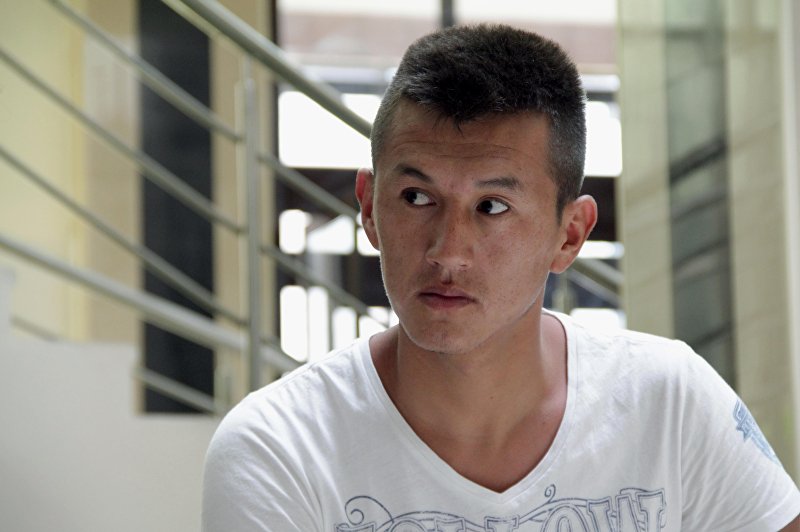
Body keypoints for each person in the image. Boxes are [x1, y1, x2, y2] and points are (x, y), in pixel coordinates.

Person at [202, 24, 800, 531]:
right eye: (416, 197)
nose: (448, 251)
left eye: (492, 207)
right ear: (369, 208)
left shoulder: (668, 402)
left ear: (570, 235)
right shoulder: (280, 448)